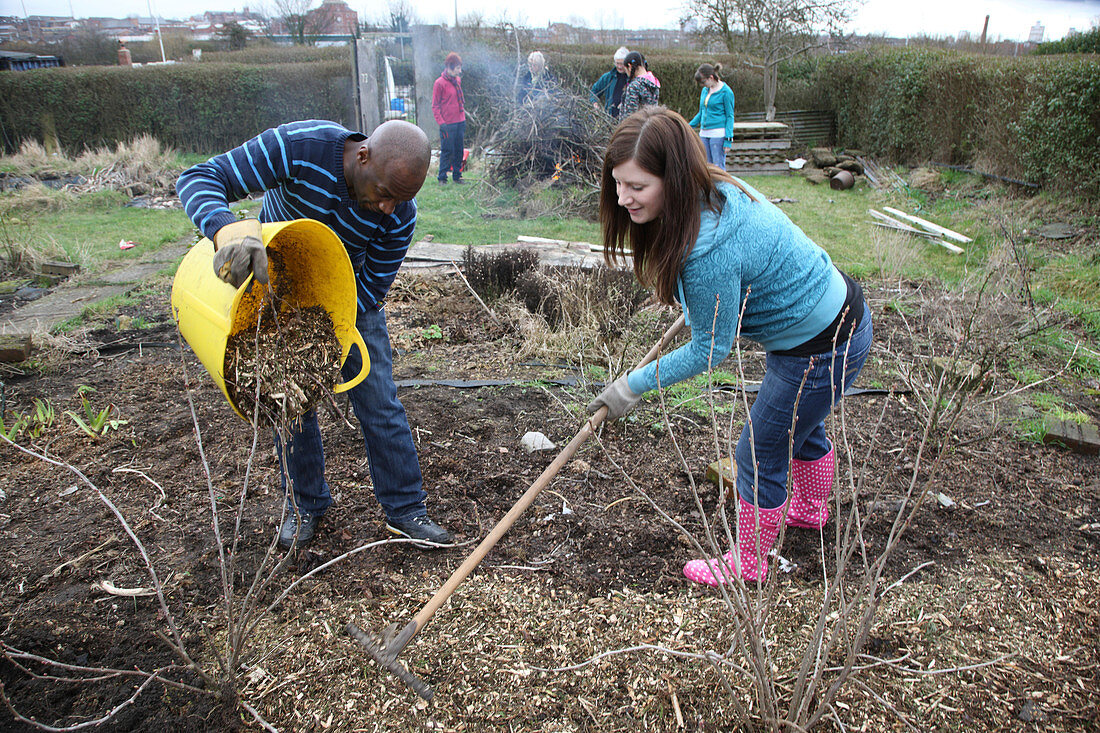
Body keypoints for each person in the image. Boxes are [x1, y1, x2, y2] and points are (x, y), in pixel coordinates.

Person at [588, 107, 873, 586]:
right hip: (832, 318)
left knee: (758, 451)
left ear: (673, 179)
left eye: (637, 187)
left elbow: (710, 350)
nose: (622, 198)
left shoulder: (707, 252)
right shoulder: (713, 189)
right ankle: (809, 510)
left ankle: (751, 563)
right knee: (798, 423)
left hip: (823, 345)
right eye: (618, 183)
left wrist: (631, 386)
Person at [176, 119, 453, 551]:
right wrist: (225, 228)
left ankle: (406, 510)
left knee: (379, 399)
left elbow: (373, 286)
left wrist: (330, 329)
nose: (388, 208)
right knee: (288, 400)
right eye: (383, 192)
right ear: (363, 155)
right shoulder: (299, 147)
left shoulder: (398, 213)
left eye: (401, 199)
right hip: (270, 291)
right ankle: (304, 505)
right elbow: (199, 176)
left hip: (345, 296)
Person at [687, 63, 735, 171]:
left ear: (711, 77)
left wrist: (728, 139)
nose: (702, 85)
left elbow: (730, 116)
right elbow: (701, 112)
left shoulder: (726, 92)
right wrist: (688, 127)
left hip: (718, 134)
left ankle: (720, 187)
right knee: (705, 166)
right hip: (704, 133)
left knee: (717, 167)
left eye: (704, 82)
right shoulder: (705, 91)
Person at [432, 52, 466, 184]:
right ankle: (442, 177)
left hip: (460, 121)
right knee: (447, 150)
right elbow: (435, 106)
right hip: (447, 124)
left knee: (459, 150)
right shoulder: (439, 83)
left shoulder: (458, 80)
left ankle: (457, 176)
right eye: (457, 68)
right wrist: (441, 123)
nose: (460, 70)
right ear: (450, 67)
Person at [589, 46, 630, 118]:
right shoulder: (608, 77)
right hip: (610, 118)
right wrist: (595, 103)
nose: (619, 67)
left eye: (622, 64)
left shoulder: (633, 79)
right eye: (617, 63)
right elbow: (594, 91)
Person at [618, 51, 660, 119]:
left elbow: (630, 116)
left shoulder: (634, 86)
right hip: (650, 126)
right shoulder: (654, 83)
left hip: (634, 128)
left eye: (626, 70)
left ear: (629, 66)